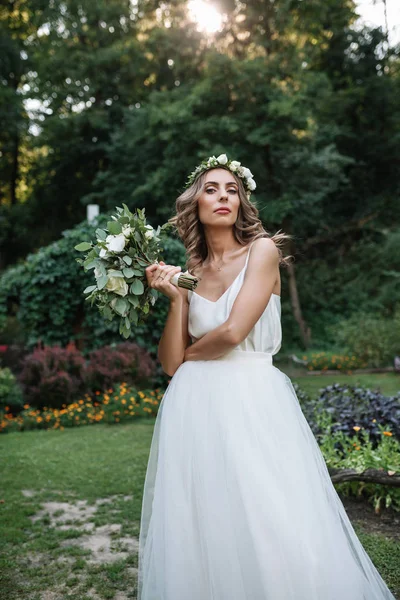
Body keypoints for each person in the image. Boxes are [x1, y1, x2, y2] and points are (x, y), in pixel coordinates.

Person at [137, 154, 396, 600]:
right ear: (193, 204)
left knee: (269, 513)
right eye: (211, 189)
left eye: (232, 189)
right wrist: (176, 299)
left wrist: (186, 360)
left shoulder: (262, 251)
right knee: (206, 516)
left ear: (242, 203)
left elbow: (234, 332)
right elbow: (167, 364)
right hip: (194, 407)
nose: (223, 196)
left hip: (251, 396)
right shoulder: (191, 273)